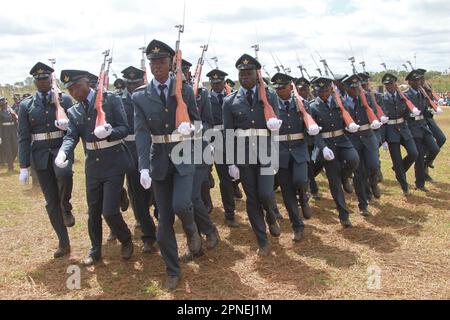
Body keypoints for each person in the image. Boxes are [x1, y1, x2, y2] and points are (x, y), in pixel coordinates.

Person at [132, 39, 203, 290]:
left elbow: (199, 121)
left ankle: (192, 228)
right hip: (159, 160)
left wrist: (191, 128)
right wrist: (142, 166)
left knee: (182, 204)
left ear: (170, 63)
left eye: (161, 61)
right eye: (153, 62)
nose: (157, 66)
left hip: (184, 155)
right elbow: (141, 133)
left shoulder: (183, 89)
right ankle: (172, 270)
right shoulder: (140, 96)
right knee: (163, 222)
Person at [56, 69, 134, 266]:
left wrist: (109, 132)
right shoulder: (74, 111)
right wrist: (63, 152)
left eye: (77, 86)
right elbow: (72, 135)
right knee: (93, 211)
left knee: (109, 211)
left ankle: (125, 239)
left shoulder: (110, 100)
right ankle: (95, 249)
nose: (74, 92)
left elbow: (124, 129)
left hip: (114, 161)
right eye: (70, 89)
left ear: (87, 82)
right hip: (93, 166)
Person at [223, 54, 282, 256]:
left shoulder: (270, 96)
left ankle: (271, 216)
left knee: (266, 193)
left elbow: (277, 122)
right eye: (241, 73)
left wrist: (275, 127)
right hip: (243, 156)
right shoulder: (230, 101)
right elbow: (228, 133)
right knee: (252, 198)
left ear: (257, 75)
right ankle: (262, 240)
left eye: (248, 73)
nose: (244, 77)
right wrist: (231, 162)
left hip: (265, 153)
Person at [17, 62, 75, 258]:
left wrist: (66, 127)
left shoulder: (64, 100)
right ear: (35, 82)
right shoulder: (26, 105)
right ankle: (63, 241)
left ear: (52, 79)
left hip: (61, 149)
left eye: (46, 78)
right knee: (50, 202)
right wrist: (24, 166)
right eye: (39, 79)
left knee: (65, 175)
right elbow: (24, 136)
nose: (43, 82)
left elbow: (74, 129)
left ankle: (66, 205)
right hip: (40, 155)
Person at [309, 76, 360, 228]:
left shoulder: (339, 101)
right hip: (326, 144)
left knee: (354, 160)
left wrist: (350, 126)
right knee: (334, 181)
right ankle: (343, 215)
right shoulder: (312, 106)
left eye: (326, 90)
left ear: (331, 90)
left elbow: (347, 117)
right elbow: (314, 132)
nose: (323, 94)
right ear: (315, 92)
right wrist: (322, 147)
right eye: (320, 91)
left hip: (342, 139)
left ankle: (345, 177)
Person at [271, 73, 315, 241]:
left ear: (291, 87)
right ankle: (297, 226)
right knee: (287, 192)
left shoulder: (302, 105)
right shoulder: (271, 106)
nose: (280, 90)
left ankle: (304, 197)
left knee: (301, 180)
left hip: (299, 149)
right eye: (278, 88)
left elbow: (308, 128)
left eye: (283, 87)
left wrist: (311, 133)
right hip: (281, 152)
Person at [120, 66, 158, 253]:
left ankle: (163, 222)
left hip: (154, 148)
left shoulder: (151, 96)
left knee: (159, 192)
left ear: (143, 81)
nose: (133, 86)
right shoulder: (119, 101)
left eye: (137, 83)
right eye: (130, 83)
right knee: (138, 198)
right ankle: (149, 236)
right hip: (130, 153)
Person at [343, 74, 381, 216]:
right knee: (359, 173)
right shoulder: (341, 102)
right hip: (353, 139)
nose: (355, 91)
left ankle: (373, 183)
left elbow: (375, 115)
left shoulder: (367, 99)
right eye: (352, 88)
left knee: (373, 166)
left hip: (368, 135)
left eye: (357, 87)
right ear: (346, 88)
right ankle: (363, 204)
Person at [381, 73, 418, 196]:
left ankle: (398, 170)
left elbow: (407, 112)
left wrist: (412, 114)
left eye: (390, 84)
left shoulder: (403, 97)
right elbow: (382, 121)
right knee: (396, 160)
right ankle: (404, 186)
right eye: (386, 85)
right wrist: (383, 139)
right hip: (390, 131)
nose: (388, 87)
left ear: (395, 84)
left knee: (414, 153)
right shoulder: (382, 99)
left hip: (403, 128)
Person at [404, 70, 440, 192]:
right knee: (418, 156)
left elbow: (424, 110)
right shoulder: (406, 95)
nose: (418, 82)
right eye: (415, 80)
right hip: (413, 128)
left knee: (435, 148)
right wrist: (411, 114)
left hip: (423, 126)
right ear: (410, 82)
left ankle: (425, 164)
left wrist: (431, 112)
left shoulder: (421, 93)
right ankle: (420, 183)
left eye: (419, 80)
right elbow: (404, 114)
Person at [0, 97, 18, 172]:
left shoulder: (11, 111)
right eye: (3, 104)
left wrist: (15, 116)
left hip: (13, 131)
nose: (5, 105)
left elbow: (16, 120)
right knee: (8, 150)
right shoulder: (0, 113)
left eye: (6, 103)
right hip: (5, 132)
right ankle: (10, 166)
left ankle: (11, 161)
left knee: (15, 148)